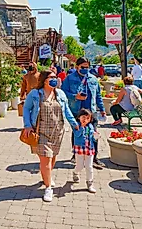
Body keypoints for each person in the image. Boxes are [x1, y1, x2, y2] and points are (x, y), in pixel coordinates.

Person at [22, 70, 78, 202]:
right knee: (45, 159)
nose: (55, 79)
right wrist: (27, 125)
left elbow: (67, 110)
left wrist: (75, 124)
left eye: (55, 77)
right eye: (51, 77)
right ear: (44, 80)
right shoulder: (35, 94)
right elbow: (26, 108)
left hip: (58, 131)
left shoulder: (60, 94)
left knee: (53, 157)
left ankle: (47, 176)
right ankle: (48, 188)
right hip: (41, 131)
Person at [61, 57, 106, 168]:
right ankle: (76, 155)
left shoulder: (93, 79)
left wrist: (102, 109)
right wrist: (75, 96)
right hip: (77, 111)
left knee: (93, 133)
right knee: (77, 133)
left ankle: (94, 157)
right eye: (83, 67)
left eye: (87, 67)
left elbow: (98, 96)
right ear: (77, 67)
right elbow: (63, 93)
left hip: (91, 111)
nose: (85, 69)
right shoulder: (69, 79)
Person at [71, 108, 99, 193]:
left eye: (88, 118)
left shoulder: (91, 127)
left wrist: (95, 136)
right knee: (79, 166)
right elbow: (77, 134)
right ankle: (75, 172)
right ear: (79, 117)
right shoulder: (77, 125)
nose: (85, 120)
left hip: (89, 149)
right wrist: (81, 127)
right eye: (83, 117)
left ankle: (89, 183)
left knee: (89, 166)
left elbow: (94, 139)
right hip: (79, 148)